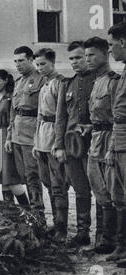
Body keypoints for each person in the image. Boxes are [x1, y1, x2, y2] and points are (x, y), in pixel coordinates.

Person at [53, 41, 96, 247]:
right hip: (71, 144)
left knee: (102, 191)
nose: (75, 62)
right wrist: (59, 145)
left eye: (79, 57)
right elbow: (60, 118)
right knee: (80, 190)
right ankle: (82, 232)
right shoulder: (67, 84)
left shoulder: (100, 80)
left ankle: (106, 236)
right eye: (71, 58)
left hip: (94, 143)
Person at [84, 37, 120, 254]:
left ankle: (116, 242)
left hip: (110, 137)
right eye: (86, 55)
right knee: (100, 190)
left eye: (92, 55)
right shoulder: (96, 80)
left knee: (115, 193)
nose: (88, 59)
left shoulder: (115, 81)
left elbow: (118, 116)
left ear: (105, 54)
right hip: (96, 137)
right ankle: (106, 240)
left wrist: (112, 147)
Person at [32, 48, 69, 241]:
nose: (40, 68)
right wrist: (36, 143)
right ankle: (55, 224)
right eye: (37, 65)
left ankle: (62, 229)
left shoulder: (60, 83)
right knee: (47, 183)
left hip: (54, 136)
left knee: (58, 186)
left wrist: (58, 142)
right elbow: (40, 114)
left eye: (43, 64)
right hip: (42, 138)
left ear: (53, 63)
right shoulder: (44, 84)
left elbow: (61, 115)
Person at [5, 46, 45, 216]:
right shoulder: (18, 81)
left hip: (31, 133)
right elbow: (13, 111)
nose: (17, 64)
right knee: (23, 176)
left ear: (30, 60)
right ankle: (29, 213)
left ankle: (38, 215)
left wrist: (38, 136)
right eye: (15, 61)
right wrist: (9, 136)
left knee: (32, 176)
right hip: (17, 133)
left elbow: (43, 110)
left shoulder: (41, 79)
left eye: (21, 60)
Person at [0, 69, 29, 208]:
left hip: (6, 135)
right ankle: (10, 209)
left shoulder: (11, 97)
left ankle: (27, 209)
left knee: (9, 175)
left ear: (5, 80)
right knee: (2, 176)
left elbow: (13, 119)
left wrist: (9, 138)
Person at [104, 22, 126, 262]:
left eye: (111, 45)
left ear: (122, 42)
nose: (110, 51)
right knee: (119, 195)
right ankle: (121, 246)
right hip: (119, 136)